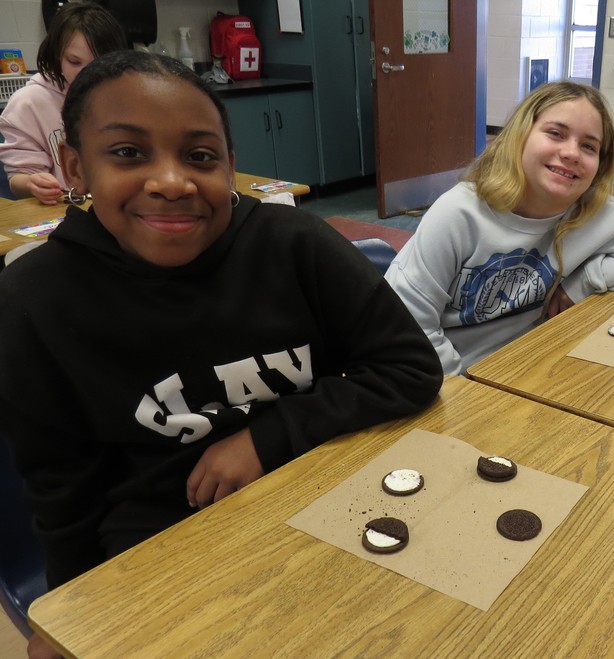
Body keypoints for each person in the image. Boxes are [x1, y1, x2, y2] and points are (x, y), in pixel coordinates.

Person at [0, 50, 443, 658]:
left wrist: (269, 435)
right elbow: (61, 487)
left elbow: (410, 368)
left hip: (319, 496)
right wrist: (68, 611)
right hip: (164, 545)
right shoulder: (31, 302)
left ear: (232, 166)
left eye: (200, 156)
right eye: (128, 153)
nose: (172, 181)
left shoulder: (295, 246)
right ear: (75, 167)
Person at [385, 82, 614, 376]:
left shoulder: (596, 213)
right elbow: (408, 324)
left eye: (588, 146)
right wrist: (462, 391)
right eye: (555, 133)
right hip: (445, 377)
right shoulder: (460, 213)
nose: (571, 153)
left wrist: (588, 278)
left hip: (528, 367)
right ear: (520, 137)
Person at [0, 1, 127, 203]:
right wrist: (33, 183)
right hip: (64, 211)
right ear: (57, 56)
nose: (86, 72)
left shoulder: (128, 97)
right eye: (74, 62)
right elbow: (17, 179)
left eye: (99, 62)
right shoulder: (28, 104)